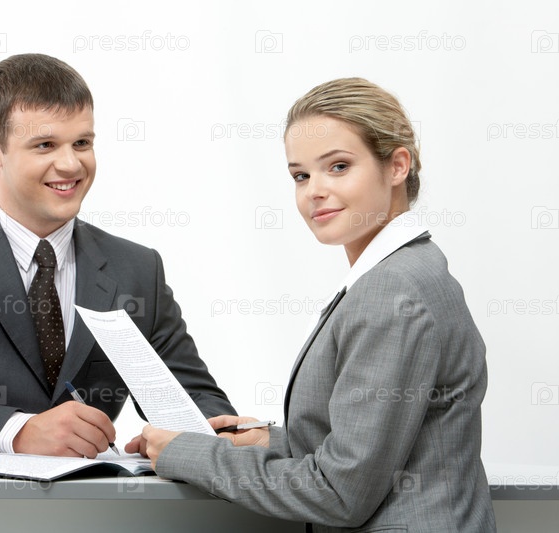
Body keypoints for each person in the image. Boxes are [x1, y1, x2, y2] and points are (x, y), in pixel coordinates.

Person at [139, 78, 496, 532]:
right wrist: (267, 440)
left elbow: (340, 492)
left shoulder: (393, 290)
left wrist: (189, 454)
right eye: (301, 175)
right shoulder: (405, 272)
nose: (313, 191)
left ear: (397, 166)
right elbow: (380, 445)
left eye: (339, 166)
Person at [0, 53, 235, 457]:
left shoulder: (136, 269)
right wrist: (18, 431)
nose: (70, 164)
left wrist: (213, 439)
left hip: (88, 494)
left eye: (82, 143)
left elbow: (197, 403)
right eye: (45, 145)